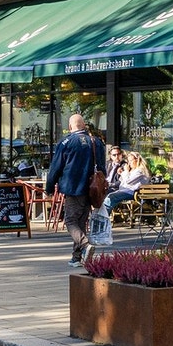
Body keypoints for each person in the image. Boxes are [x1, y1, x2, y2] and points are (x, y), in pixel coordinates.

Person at [44, 113, 105, 267]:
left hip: (74, 187)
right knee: (81, 221)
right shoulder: (96, 142)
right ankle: (76, 258)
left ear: (70, 127)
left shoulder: (66, 142)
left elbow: (55, 168)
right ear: (83, 125)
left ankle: (85, 245)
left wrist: (49, 188)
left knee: (70, 220)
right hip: (92, 189)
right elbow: (103, 168)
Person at [103, 151, 151, 217]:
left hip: (131, 193)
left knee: (111, 197)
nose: (129, 163)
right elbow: (123, 181)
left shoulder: (140, 170)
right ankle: (104, 215)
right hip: (124, 190)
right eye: (128, 161)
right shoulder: (133, 170)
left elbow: (128, 181)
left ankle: (103, 217)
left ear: (137, 160)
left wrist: (125, 171)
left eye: (131, 160)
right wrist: (122, 173)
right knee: (107, 194)